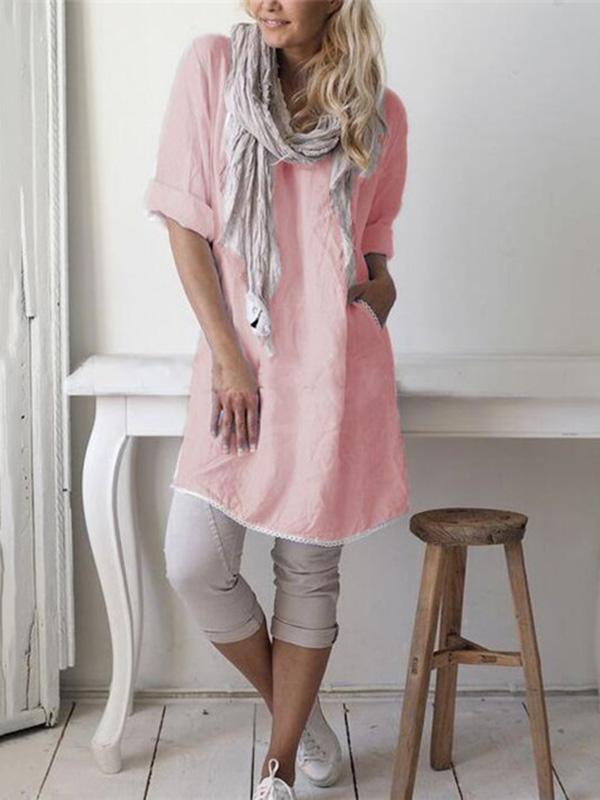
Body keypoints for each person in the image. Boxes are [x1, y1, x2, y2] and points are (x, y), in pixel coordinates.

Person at [144, 1, 409, 797]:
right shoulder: (215, 70)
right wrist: (229, 355)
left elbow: (374, 242)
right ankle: (302, 715)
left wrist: (378, 288)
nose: (265, 2)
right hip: (241, 364)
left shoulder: (381, 113)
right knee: (195, 562)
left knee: (308, 573)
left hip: (333, 368)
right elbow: (185, 225)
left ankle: (279, 764)